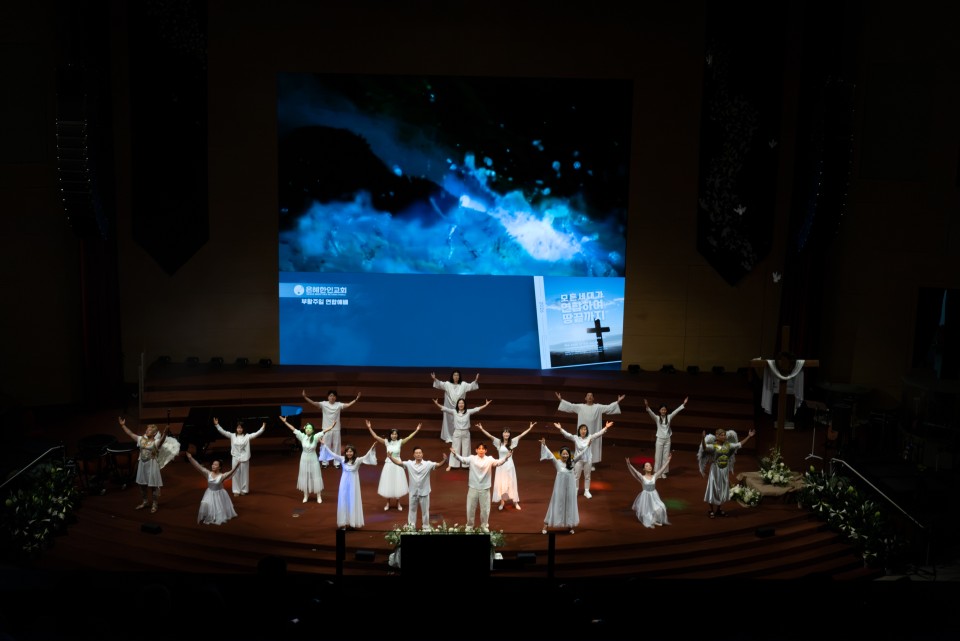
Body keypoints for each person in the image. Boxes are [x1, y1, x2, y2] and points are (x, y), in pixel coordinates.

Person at [118, 416, 178, 514]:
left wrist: (165, 433)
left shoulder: (156, 442)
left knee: (153, 486)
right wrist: (123, 425)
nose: (147, 431)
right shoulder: (141, 439)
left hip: (152, 465)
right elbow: (130, 433)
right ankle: (145, 501)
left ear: (154, 433)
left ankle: (154, 504)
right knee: (142, 485)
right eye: (147, 429)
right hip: (142, 465)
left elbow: (162, 440)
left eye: (150, 430)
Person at [448, 442, 512, 532]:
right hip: (473, 487)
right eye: (479, 449)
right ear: (476, 450)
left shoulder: (489, 459)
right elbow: (463, 460)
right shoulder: (472, 458)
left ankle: (484, 526)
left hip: (485, 488)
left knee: (485, 509)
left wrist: (506, 458)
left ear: (486, 450)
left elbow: (498, 463)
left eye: (483, 449)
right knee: (470, 508)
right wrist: (455, 454)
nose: (481, 450)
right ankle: (469, 526)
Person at [554, 391, 624, 469]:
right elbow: (570, 406)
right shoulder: (580, 407)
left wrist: (618, 401)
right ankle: (581, 462)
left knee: (593, 444)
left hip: (594, 430)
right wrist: (561, 400)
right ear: (585, 398)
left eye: (591, 396)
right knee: (581, 445)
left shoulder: (598, 407)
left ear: (593, 398)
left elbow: (608, 407)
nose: (589, 397)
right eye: (588, 395)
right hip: (583, 431)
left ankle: (592, 463)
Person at [475, 421, 535, 511]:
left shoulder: (512, 442)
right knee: (501, 483)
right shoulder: (499, 442)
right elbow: (490, 436)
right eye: (505, 432)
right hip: (501, 466)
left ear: (509, 434)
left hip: (510, 465)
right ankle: (502, 502)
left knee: (511, 483)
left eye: (508, 432)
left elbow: (521, 435)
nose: (506, 434)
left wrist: (529, 428)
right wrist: (481, 429)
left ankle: (515, 502)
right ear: (502, 434)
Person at [698, 427, 756, 518]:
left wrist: (749, 436)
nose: (724, 437)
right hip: (715, 470)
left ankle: (718, 509)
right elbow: (705, 448)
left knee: (722, 489)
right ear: (717, 437)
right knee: (713, 489)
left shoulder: (729, 446)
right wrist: (702, 438)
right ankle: (711, 510)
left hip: (724, 470)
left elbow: (739, 444)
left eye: (725, 435)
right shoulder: (713, 446)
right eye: (722, 435)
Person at [319, 441, 378, 529]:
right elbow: (332, 454)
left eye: (351, 451)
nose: (349, 453)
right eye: (347, 451)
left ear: (354, 452)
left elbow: (366, 456)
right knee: (343, 501)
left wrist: (372, 448)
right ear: (345, 452)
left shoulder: (358, 461)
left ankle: (352, 522)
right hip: (344, 484)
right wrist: (324, 445)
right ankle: (344, 522)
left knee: (352, 501)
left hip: (354, 485)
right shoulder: (342, 459)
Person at [366, 419, 421, 511]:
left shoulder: (400, 442)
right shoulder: (386, 442)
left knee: (397, 482)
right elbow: (375, 436)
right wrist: (369, 428)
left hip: (398, 464)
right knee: (389, 482)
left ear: (397, 435)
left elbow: (409, 437)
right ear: (390, 435)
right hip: (388, 464)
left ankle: (398, 503)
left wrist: (417, 430)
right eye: (392, 434)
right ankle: (388, 503)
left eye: (395, 434)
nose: (394, 435)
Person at [388, 446, 447, 530]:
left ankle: (426, 527)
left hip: (424, 492)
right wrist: (390, 458)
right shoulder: (409, 464)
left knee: (425, 512)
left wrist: (444, 460)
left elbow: (438, 465)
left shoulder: (428, 464)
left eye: (420, 453)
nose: (418, 454)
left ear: (422, 454)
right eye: (416, 453)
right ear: (414, 455)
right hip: (413, 492)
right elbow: (398, 463)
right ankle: (411, 527)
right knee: (412, 511)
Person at [552, 420, 613, 498]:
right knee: (576, 476)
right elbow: (567, 435)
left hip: (588, 460)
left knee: (587, 476)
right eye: (582, 429)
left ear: (586, 431)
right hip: (578, 460)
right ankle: (575, 490)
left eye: (585, 429)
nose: (583, 431)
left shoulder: (590, 437)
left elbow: (598, 434)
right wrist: (560, 428)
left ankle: (586, 491)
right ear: (579, 430)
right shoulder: (576, 438)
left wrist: (606, 427)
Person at [302, 388, 361, 468]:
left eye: (333, 396)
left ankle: (337, 462)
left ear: (335, 397)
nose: (332, 397)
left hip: (336, 429)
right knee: (325, 445)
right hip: (326, 429)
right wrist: (305, 397)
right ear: (328, 397)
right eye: (330, 396)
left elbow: (348, 405)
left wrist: (356, 399)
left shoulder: (338, 405)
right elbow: (314, 403)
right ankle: (325, 462)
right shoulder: (323, 404)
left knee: (337, 446)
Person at [279, 415, 333, 503]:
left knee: (315, 476)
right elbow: (293, 429)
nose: (308, 429)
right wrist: (285, 422)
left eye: (310, 428)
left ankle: (319, 495)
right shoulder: (302, 436)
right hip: (304, 459)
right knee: (305, 476)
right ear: (305, 429)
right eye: (307, 428)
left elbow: (324, 431)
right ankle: (305, 495)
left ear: (312, 430)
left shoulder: (315, 437)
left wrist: (331, 427)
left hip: (313, 459)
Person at [433, 397, 492, 471]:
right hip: (457, 432)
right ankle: (451, 465)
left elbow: (477, 409)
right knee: (454, 449)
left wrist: (485, 405)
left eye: (462, 403)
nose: (461, 404)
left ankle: (467, 465)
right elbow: (445, 409)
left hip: (466, 432)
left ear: (464, 404)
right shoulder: (454, 411)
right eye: (459, 403)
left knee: (466, 449)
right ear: (457, 404)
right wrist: (437, 404)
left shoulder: (468, 411)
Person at [213, 417, 267, 496]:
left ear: (243, 429)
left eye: (241, 428)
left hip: (245, 458)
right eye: (238, 428)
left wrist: (263, 428)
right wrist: (217, 425)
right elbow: (223, 432)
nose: (239, 429)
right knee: (235, 474)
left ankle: (244, 490)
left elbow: (256, 434)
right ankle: (236, 490)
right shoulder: (232, 436)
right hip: (235, 457)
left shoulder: (247, 436)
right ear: (236, 429)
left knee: (244, 474)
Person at [185, 452, 239, 525]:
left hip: (219, 494)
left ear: (219, 467)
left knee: (218, 508)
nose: (213, 466)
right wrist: (190, 458)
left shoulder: (222, 476)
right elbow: (198, 466)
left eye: (215, 465)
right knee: (205, 503)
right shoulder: (208, 473)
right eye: (213, 464)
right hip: (209, 493)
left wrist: (236, 466)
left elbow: (231, 472)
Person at [539, 438, 579, 534]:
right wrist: (544, 445)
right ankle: (546, 524)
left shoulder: (572, 463)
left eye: (567, 454)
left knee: (569, 505)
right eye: (563, 454)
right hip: (559, 489)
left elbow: (581, 455)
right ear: (560, 454)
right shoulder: (557, 463)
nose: (565, 455)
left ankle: (569, 525)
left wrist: (588, 446)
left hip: (570, 490)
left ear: (569, 455)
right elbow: (550, 455)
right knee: (555, 504)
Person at [643, 397, 687, 479]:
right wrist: (647, 406)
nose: (663, 411)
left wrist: (683, 404)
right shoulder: (657, 418)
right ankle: (657, 473)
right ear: (659, 411)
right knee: (658, 456)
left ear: (666, 411)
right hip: (659, 439)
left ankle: (663, 472)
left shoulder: (669, 417)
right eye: (662, 410)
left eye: (664, 410)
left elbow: (676, 411)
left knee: (665, 457)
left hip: (667, 440)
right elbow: (651, 413)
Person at [431, 370, 480, 443]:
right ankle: (448, 436)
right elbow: (440, 384)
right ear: (452, 376)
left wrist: (476, 380)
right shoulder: (448, 384)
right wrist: (435, 379)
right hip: (448, 406)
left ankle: (457, 437)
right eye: (454, 375)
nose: (456, 376)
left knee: (458, 421)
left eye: (457, 375)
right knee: (448, 422)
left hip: (459, 407)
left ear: (459, 376)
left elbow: (471, 386)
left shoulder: (463, 385)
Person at [625, 454, 672, 528]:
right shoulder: (642, 477)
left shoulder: (655, 476)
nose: (649, 467)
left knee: (661, 507)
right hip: (646, 497)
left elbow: (662, 469)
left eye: (650, 465)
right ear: (644, 469)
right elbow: (634, 472)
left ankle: (654, 520)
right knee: (647, 512)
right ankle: (652, 521)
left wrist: (668, 460)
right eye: (647, 466)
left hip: (654, 495)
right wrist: (629, 464)